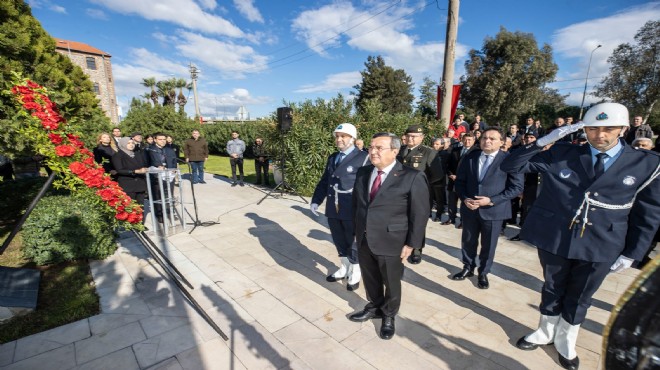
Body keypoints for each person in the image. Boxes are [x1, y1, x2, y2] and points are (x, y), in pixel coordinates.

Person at [501, 102, 660, 370]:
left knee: (581, 295)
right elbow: (510, 164)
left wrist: (633, 252)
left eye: (608, 128)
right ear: (584, 129)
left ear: (622, 129)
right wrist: (542, 141)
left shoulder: (645, 163)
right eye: (593, 129)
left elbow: (649, 213)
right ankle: (545, 331)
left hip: (603, 242)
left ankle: (566, 340)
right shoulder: (563, 153)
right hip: (557, 236)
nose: (600, 135)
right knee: (552, 286)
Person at [348, 132, 430, 340]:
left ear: (395, 151)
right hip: (365, 237)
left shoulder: (412, 176)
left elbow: (419, 214)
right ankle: (374, 306)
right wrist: (355, 232)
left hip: (392, 241)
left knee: (391, 281)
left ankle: (389, 315)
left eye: (378, 148)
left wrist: (412, 244)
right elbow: (357, 205)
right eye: (371, 147)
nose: (372, 151)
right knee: (370, 277)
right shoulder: (364, 172)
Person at [450, 127, 524, 289]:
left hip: (494, 210)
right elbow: (460, 182)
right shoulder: (470, 157)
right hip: (470, 208)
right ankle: (468, 267)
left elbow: (516, 188)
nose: (487, 141)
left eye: (492, 139)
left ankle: (483, 272)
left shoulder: (509, 160)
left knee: (488, 244)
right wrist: (464, 198)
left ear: (502, 142)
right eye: (484, 138)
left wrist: (491, 200)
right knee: (468, 240)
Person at [311, 123, 370, 291]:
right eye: (337, 136)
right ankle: (344, 267)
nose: (339, 139)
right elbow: (325, 181)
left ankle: (355, 271)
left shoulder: (363, 158)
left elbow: (368, 187)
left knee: (353, 241)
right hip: (333, 207)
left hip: (351, 208)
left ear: (352, 138)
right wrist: (316, 200)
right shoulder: (333, 157)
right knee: (338, 239)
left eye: (343, 136)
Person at [397, 124, 436, 264]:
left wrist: (422, 187)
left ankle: (417, 249)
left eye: (414, 136)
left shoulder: (427, 152)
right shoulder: (399, 150)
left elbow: (437, 175)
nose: (410, 138)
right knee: (402, 219)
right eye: (408, 136)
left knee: (418, 221)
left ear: (421, 137)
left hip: (420, 195)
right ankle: (403, 244)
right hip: (400, 193)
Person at [443, 133, 476, 228]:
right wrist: (450, 174)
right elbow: (448, 164)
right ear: (462, 140)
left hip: (467, 182)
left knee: (464, 202)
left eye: (470, 140)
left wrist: (463, 177)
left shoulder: (476, 152)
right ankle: (451, 218)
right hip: (453, 180)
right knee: (452, 201)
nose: (467, 141)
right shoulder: (455, 150)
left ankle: (463, 221)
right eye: (465, 139)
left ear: (474, 141)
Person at [144, 133, 178, 223]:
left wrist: (174, 169)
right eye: (160, 139)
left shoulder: (169, 150)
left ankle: (170, 213)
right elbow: (146, 162)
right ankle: (159, 215)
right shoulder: (149, 150)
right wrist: (156, 166)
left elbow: (174, 160)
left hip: (169, 176)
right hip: (156, 177)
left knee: (169, 195)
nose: (163, 141)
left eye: (164, 139)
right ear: (155, 140)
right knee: (158, 196)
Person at [112, 137, 148, 207]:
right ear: (123, 144)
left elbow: (143, 164)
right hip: (128, 185)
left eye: (132, 143)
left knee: (141, 206)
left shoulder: (137, 154)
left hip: (140, 184)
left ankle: (141, 218)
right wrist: (135, 171)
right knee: (131, 207)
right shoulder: (118, 155)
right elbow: (119, 170)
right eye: (128, 143)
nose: (131, 145)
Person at [429, 138, 450, 222]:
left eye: (437, 144)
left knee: (439, 199)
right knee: (429, 198)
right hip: (430, 179)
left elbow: (446, 167)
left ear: (442, 145)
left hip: (440, 180)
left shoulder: (445, 154)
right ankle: (428, 212)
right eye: (434, 144)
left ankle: (438, 215)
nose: (434, 145)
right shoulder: (429, 153)